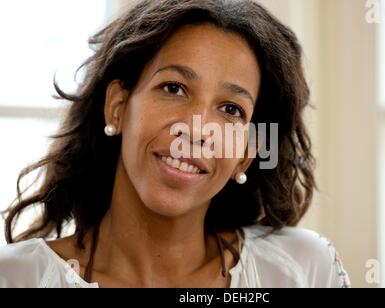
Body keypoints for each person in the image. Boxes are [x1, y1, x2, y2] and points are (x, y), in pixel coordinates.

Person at [0, 0, 350, 288]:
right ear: (118, 107)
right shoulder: (15, 278)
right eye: (174, 88)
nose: (196, 130)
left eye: (231, 109)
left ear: (247, 154)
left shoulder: (302, 270)